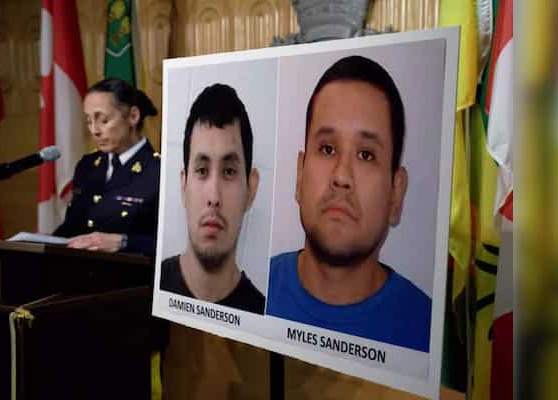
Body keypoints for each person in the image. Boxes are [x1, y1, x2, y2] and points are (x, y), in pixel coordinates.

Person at [265, 56, 431, 352]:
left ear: (396, 193)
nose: (341, 176)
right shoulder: (249, 292)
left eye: (366, 155)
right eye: (328, 149)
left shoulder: (430, 333)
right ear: (300, 175)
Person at [160, 83, 265, 314]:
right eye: (201, 170)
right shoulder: (152, 287)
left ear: (251, 189)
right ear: (183, 185)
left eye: (229, 171)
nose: (214, 197)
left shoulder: (262, 314)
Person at [53, 78, 160, 256]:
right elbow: (72, 228)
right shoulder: (87, 165)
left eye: (103, 120)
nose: (94, 130)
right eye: (89, 121)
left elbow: (171, 244)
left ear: (133, 116)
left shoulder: (158, 171)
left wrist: (123, 242)